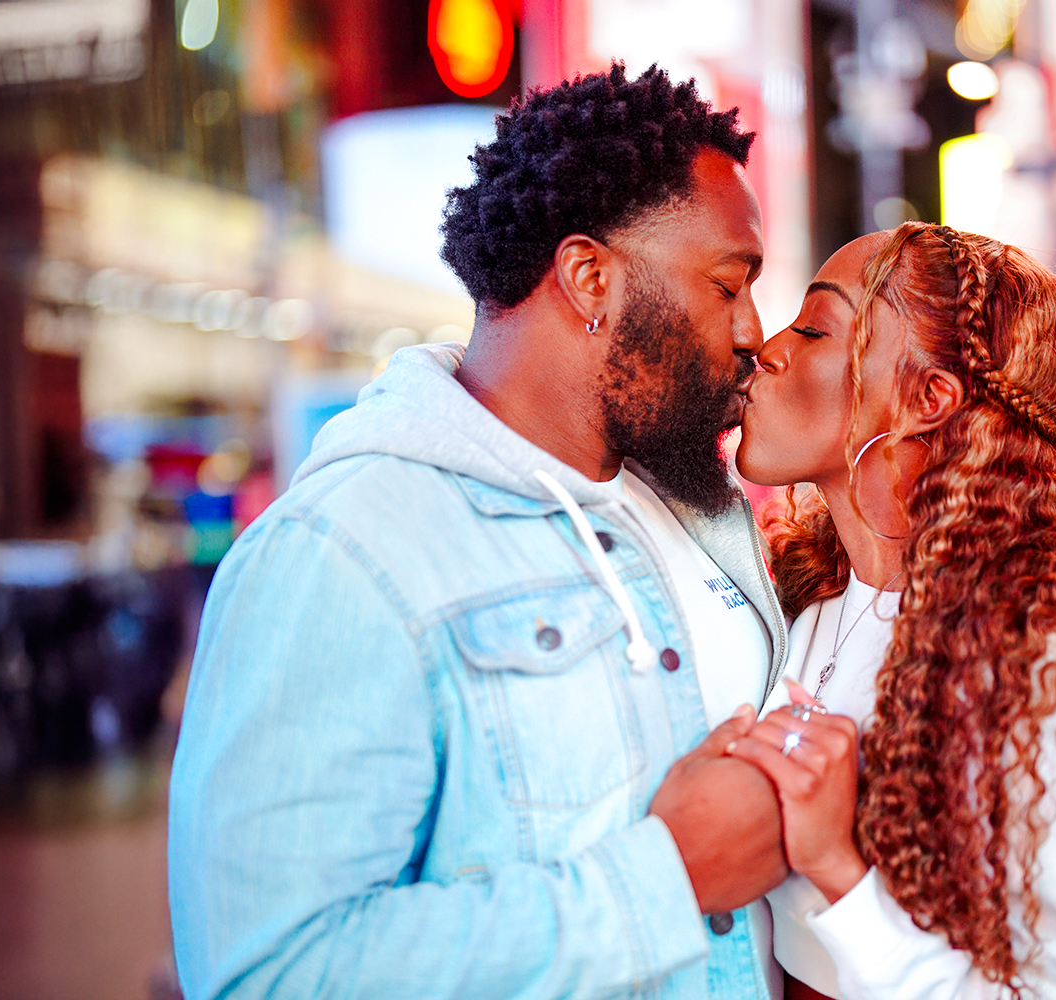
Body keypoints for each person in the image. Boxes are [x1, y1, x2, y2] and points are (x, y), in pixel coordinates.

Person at [167, 64, 793, 1000]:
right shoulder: (340, 553)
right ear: (590, 277)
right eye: (727, 285)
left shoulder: (694, 499)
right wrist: (667, 880)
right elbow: (273, 970)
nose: (753, 331)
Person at [728, 222, 1056, 1000]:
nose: (768, 347)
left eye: (814, 328)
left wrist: (840, 869)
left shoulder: (1044, 665)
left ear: (926, 398)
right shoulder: (799, 608)